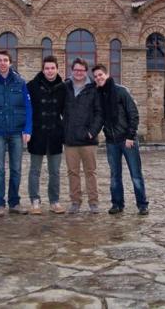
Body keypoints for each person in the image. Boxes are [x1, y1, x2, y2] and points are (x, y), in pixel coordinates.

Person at [0, 50, 32, 217]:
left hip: (17, 132)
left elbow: (28, 108)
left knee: (16, 169)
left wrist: (28, 129)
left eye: (5, 60)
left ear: (10, 63)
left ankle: (14, 202)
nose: (2, 63)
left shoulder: (20, 82)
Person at [92, 63, 149, 215]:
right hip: (111, 141)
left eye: (100, 75)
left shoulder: (121, 91)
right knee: (115, 175)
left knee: (135, 174)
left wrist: (131, 136)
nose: (98, 78)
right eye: (96, 76)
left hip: (127, 140)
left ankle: (142, 204)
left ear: (107, 74)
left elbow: (133, 114)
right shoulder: (98, 95)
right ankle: (117, 204)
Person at [27, 55, 66, 214]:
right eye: (47, 68)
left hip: (55, 133)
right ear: (43, 70)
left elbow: (66, 111)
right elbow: (27, 110)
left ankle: (54, 201)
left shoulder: (63, 87)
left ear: (57, 69)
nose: (50, 71)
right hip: (37, 133)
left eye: (52, 68)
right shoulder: (32, 86)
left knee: (55, 171)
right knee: (35, 169)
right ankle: (35, 201)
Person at [63, 57, 103, 214]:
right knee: (72, 172)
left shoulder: (94, 89)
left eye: (81, 70)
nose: (79, 72)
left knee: (90, 172)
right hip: (70, 139)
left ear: (86, 71)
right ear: (72, 70)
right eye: (76, 70)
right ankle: (75, 201)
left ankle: (93, 202)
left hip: (88, 140)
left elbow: (99, 113)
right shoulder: (65, 87)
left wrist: (92, 131)